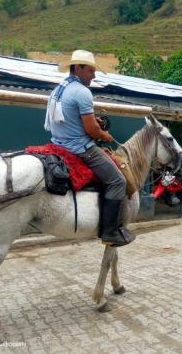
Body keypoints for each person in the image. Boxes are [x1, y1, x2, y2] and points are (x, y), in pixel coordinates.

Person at [47, 50, 134, 247]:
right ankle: (110, 231)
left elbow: (71, 118)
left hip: (58, 143)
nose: (94, 76)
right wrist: (105, 135)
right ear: (78, 68)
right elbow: (91, 130)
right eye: (91, 71)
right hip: (79, 148)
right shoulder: (82, 92)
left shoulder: (58, 89)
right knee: (117, 180)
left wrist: (93, 122)